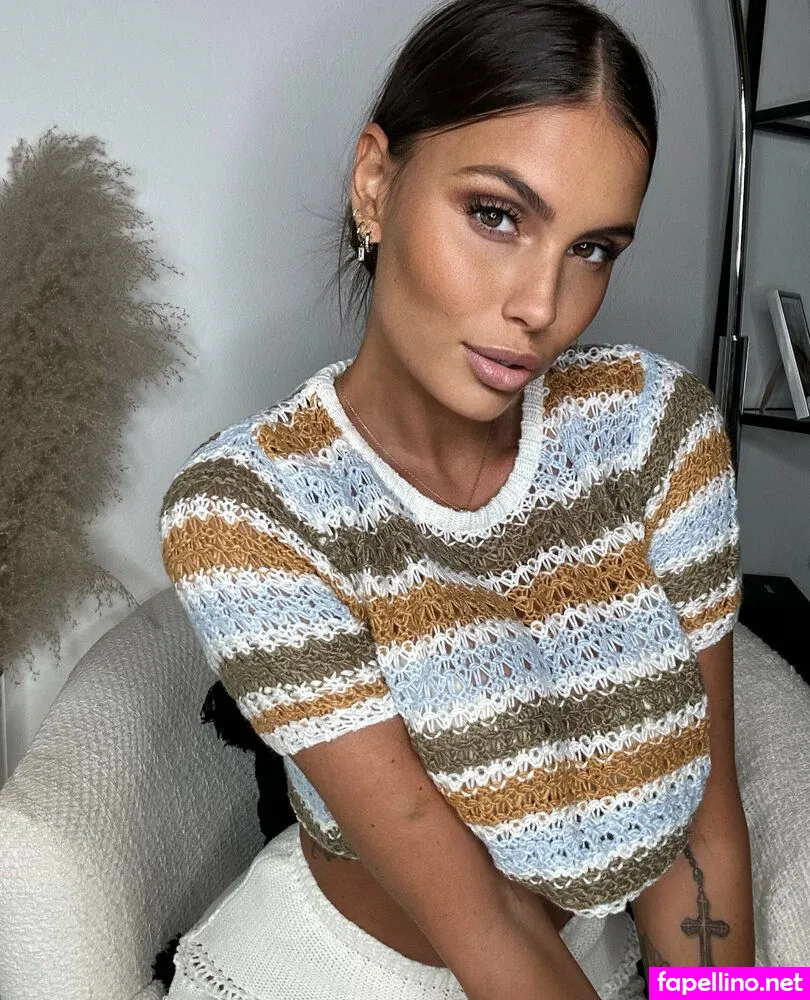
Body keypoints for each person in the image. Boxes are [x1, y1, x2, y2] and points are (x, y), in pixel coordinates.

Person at [158, 0, 755, 996]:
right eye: (496, 215)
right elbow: (482, 917)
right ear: (375, 183)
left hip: (582, 959)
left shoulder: (656, 428)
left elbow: (705, 820)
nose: (540, 306)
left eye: (594, 249)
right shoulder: (247, 513)